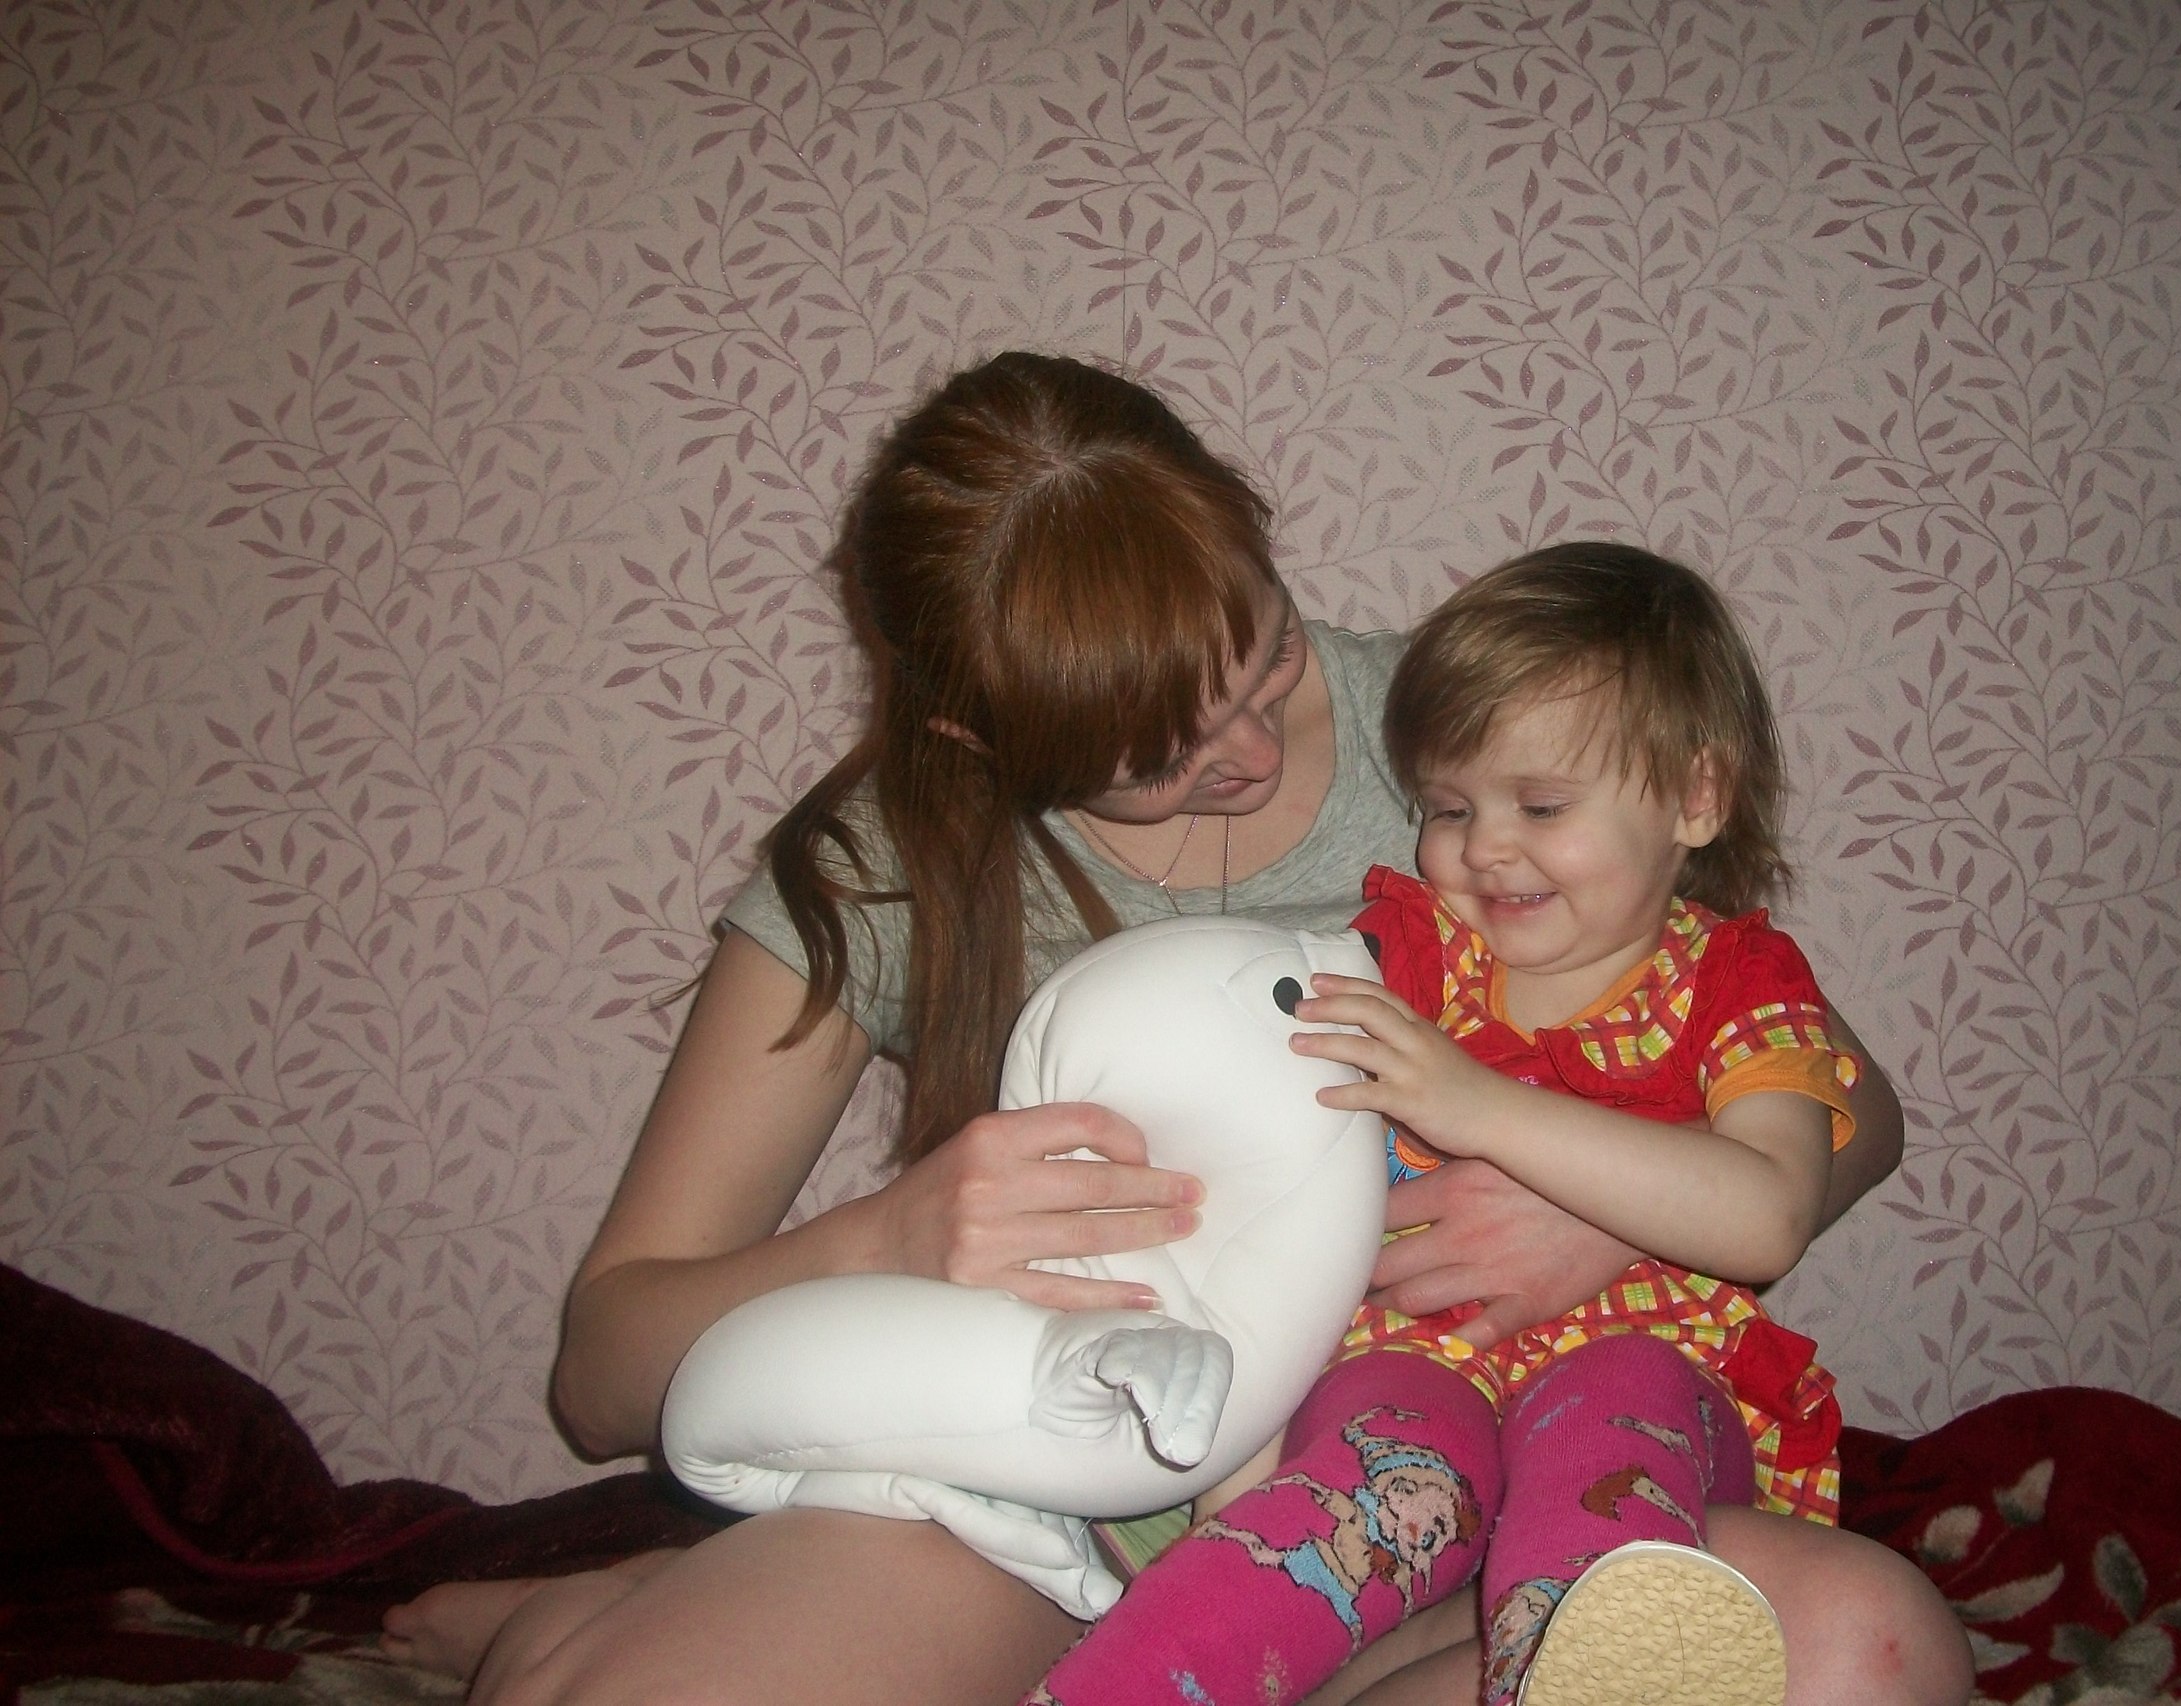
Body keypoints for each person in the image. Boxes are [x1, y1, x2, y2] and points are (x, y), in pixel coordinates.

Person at [379, 354, 1929, 1706]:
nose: (1248, 752)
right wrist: (893, 1232)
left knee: (1864, 1647)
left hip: (1442, 1512)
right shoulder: (882, 867)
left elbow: (1845, 1107)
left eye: (1262, 655)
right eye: (1157, 754)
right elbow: (603, 1372)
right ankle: (658, 1615)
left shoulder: (1460, 745)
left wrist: (1601, 1201)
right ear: (980, 734)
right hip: (1056, 1526)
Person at [1021, 544, 1971, 1706]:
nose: (1485, 846)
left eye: (1542, 804)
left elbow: (1768, 1210)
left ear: (1695, 797)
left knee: (1615, 1405)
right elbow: (1258, 1145)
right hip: (1410, 1363)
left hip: (1647, 1388)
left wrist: (1479, 1104)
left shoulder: (1738, 984)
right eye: (1450, 807)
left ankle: (1570, 1663)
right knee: (1370, 1472)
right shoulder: (1403, 957)